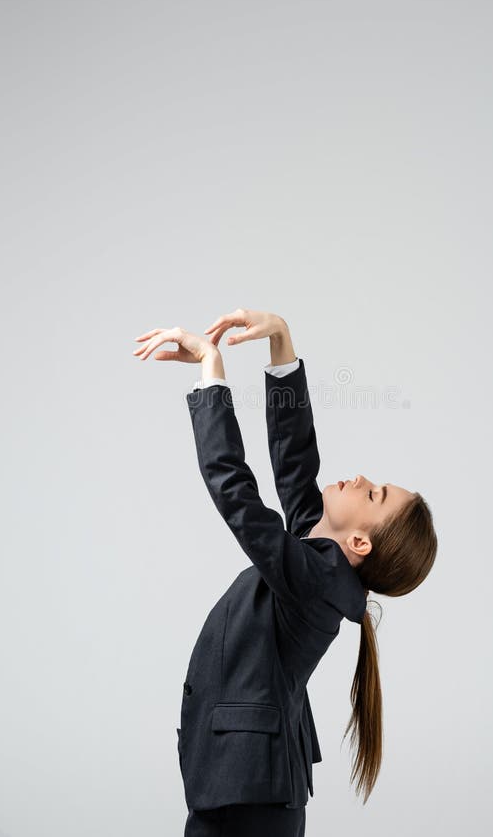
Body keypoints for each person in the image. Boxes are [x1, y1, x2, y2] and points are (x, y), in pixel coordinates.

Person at [133, 309, 438, 837]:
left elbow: (238, 497)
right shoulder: (323, 566)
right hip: (247, 785)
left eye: (373, 494)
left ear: (360, 542)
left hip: (250, 795)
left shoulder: (317, 582)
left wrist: (211, 370)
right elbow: (296, 469)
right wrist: (282, 346)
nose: (362, 478)